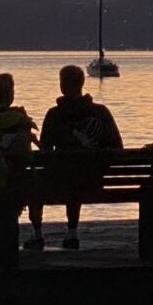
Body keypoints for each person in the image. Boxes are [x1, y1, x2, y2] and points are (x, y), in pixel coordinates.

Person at [24, 65, 123, 251]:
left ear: (62, 86)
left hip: (60, 179)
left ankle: (37, 234)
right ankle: (71, 233)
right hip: (93, 179)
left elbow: (45, 151)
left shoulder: (55, 114)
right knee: (76, 174)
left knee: (35, 180)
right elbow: (117, 147)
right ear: (81, 84)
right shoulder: (101, 112)